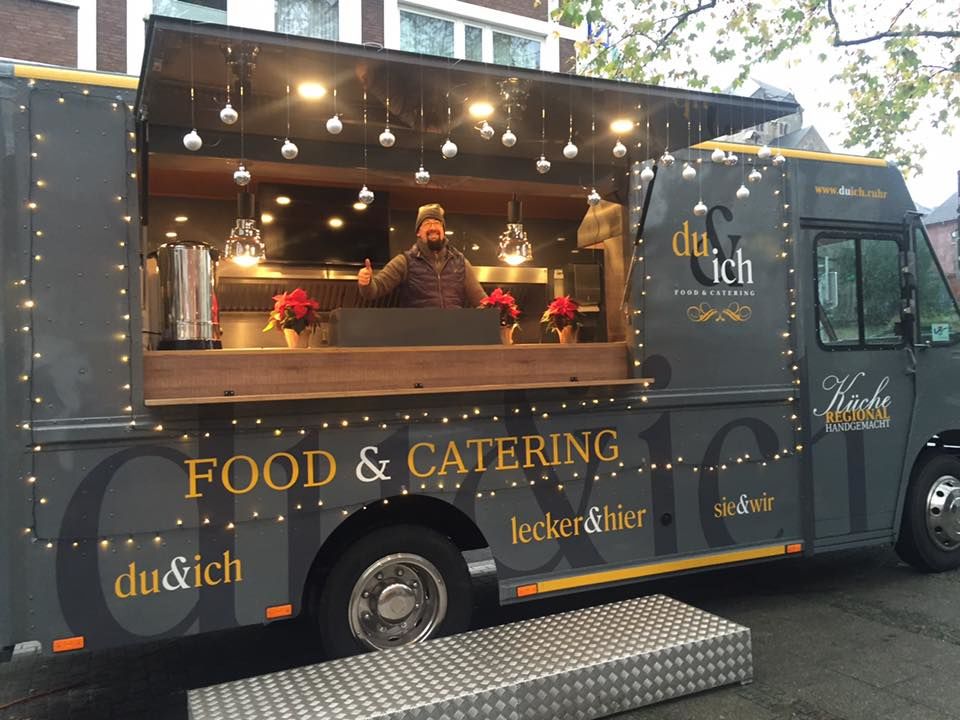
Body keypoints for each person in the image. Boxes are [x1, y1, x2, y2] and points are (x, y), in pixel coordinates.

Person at [357, 203, 486, 308]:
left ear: (443, 230)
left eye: (437, 223)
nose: (433, 227)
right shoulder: (404, 261)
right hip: (418, 330)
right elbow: (375, 290)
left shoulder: (460, 261)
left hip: (454, 329)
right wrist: (366, 283)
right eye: (427, 223)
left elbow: (482, 301)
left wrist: (494, 306)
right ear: (418, 232)